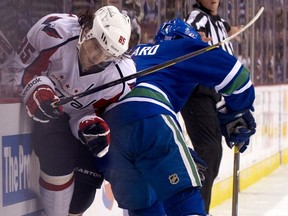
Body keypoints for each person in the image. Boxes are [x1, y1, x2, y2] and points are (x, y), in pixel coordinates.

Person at [100, 19, 256, 216]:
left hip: (109, 130)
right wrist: (238, 111)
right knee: (184, 200)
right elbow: (238, 77)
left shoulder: (134, 52)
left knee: (145, 207)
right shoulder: (183, 46)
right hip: (149, 117)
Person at [15, 5, 136, 216]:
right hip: (51, 120)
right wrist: (35, 89)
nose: (97, 59)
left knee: (81, 199)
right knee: (57, 150)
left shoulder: (121, 76)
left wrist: (90, 126)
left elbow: (92, 112)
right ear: (86, 28)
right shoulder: (53, 32)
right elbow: (14, 70)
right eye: (96, 46)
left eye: (107, 56)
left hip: (73, 120)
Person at [181, 0, 243, 214]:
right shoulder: (198, 18)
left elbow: (228, 28)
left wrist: (236, 30)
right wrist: (195, 38)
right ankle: (192, 209)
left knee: (212, 154)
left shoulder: (219, 23)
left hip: (213, 94)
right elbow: (190, 30)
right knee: (209, 151)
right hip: (197, 91)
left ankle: (196, 208)